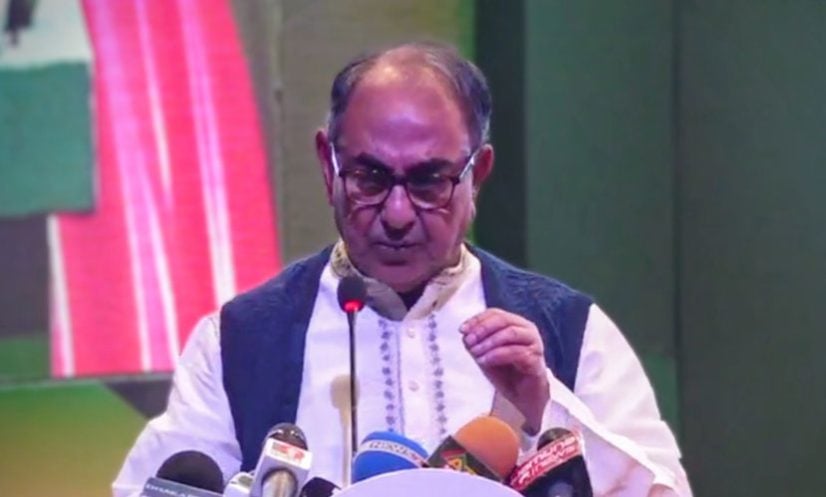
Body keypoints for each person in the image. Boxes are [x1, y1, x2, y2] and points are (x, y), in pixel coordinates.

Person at [113, 42, 692, 496]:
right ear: (328, 167)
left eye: (428, 181)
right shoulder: (240, 341)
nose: (395, 214)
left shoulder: (565, 330)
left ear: (477, 175)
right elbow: (156, 485)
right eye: (369, 178)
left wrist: (545, 407)